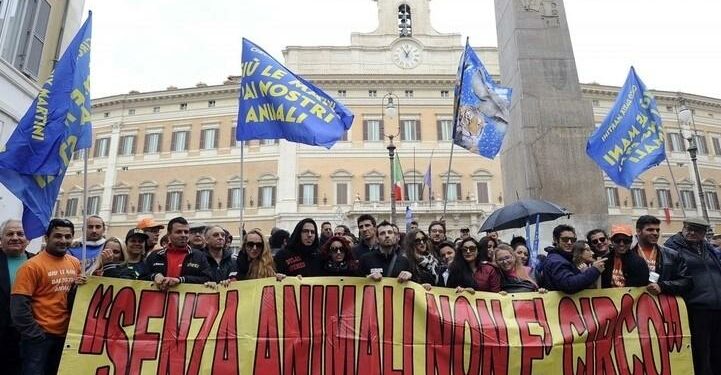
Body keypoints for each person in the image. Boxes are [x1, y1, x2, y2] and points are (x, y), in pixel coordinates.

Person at [11, 218, 85, 375]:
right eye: (58, 236)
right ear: (47, 238)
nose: (63, 240)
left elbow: (74, 300)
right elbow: (18, 307)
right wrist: (35, 335)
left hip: (66, 337)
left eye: (68, 236)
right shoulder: (31, 266)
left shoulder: (75, 263)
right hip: (39, 339)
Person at [664, 217, 721, 375]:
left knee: (717, 352)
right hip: (695, 309)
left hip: (717, 307)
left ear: (704, 233)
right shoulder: (672, 249)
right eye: (688, 228)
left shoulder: (707, 248)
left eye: (696, 230)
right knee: (701, 353)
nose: (691, 232)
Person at [0, 220, 33, 375]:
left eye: (20, 233)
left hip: (28, 335)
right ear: (1, 239)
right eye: (10, 234)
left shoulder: (38, 261)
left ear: (28, 239)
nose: (15, 237)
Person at [143, 217, 213, 288]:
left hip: (187, 299)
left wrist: (181, 280)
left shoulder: (199, 256)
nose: (183, 235)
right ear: (169, 234)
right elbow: (142, 277)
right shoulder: (155, 255)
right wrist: (154, 276)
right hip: (158, 298)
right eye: (178, 232)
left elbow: (207, 279)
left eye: (186, 232)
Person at [632, 215, 690, 297]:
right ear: (638, 231)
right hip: (637, 304)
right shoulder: (629, 254)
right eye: (650, 230)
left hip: (663, 304)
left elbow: (686, 281)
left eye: (657, 230)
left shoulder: (672, 255)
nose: (655, 233)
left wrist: (663, 286)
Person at [542, 224, 605, 294]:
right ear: (555, 240)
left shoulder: (563, 258)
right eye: (565, 239)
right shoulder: (556, 260)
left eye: (573, 240)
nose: (569, 242)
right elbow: (569, 285)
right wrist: (594, 270)